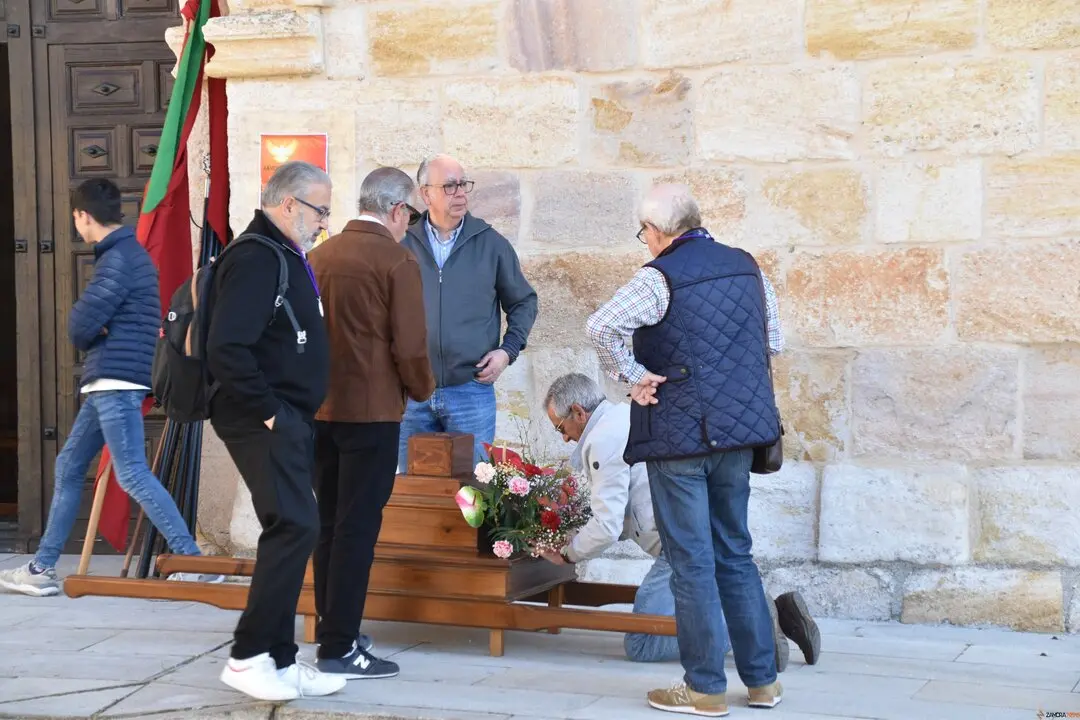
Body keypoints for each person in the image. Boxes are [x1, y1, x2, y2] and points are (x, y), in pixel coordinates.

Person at [586, 184, 787, 716]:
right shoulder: (747, 267)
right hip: (740, 433)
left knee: (692, 562)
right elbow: (775, 341)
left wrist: (634, 376)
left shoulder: (658, 277)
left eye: (643, 234)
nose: (644, 243)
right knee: (735, 553)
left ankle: (704, 689)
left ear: (656, 232)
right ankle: (763, 683)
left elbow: (601, 325)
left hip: (679, 437)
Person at [0, 179, 217, 598]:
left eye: (75, 218)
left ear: (82, 216)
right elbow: (93, 322)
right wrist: (100, 328)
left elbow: (79, 325)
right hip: (108, 381)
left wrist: (97, 329)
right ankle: (42, 567)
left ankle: (192, 560)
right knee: (68, 466)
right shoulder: (126, 256)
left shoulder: (119, 259)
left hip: (114, 381)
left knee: (132, 472)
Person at [539, 373, 820, 672]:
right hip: (699, 528)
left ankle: (760, 626)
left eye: (560, 428)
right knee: (700, 602)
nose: (565, 437)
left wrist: (568, 553)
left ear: (579, 412)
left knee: (642, 644)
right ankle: (778, 612)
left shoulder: (602, 440)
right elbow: (622, 510)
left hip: (677, 542)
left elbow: (607, 525)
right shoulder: (626, 415)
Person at [206, 161, 345, 702]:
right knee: (294, 527)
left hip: (284, 417)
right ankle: (247, 657)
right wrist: (270, 413)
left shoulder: (283, 253)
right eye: (320, 211)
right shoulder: (257, 257)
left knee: (295, 527)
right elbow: (227, 347)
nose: (323, 223)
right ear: (289, 204)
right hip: (260, 418)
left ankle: (281, 662)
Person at [307, 168, 435, 680]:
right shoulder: (397, 259)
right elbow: (410, 346)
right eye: (412, 215)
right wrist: (423, 389)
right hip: (373, 413)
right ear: (398, 210)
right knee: (358, 529)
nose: (412, 225)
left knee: (329, 524)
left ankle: (331, 629)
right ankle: (340, 646)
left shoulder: (319, 255)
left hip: (321, 410)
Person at [398, 154, 537, 469]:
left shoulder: (491, 245)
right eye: (449, 186)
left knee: (474, 495)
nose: (460, 193)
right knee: (411, 494)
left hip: (471, 391)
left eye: (463, 184)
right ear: (426, 194)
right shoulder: (402, 244)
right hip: (411, 394)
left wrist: (507, 351)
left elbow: (524, 301)